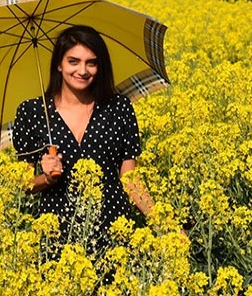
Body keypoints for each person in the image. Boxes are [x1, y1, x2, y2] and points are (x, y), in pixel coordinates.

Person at [12, 25, 155, 256]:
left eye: (92, 62)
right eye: (73, 61)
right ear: (59, 64)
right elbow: (22, 184)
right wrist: (47, 178)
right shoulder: (33, 112)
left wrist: (164, 223)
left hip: (113, 233)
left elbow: (130, 179)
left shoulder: (119, 108)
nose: (83, 70)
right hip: (56, 236)